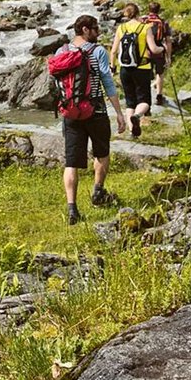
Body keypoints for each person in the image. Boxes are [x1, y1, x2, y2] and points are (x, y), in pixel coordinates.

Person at [61, 14, 126, 225]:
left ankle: (72, 209)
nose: (98, 32)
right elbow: (107, 82)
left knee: (71, 163)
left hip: (71, 112)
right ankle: (98, 191)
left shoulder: (62, 51)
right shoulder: (97, 52)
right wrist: (119, 113)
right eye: (96, 28)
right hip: (96, 111)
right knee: (102, 152)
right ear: (86, 30)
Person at [111, 2, 154, 138]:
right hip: (142, 68)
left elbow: (113, 51)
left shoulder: (121, 28)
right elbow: (153, 48)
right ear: (138, 12)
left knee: (130, 101)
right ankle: (137, 116)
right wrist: (162, 49)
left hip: (125, 69)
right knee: (144, 100)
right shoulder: (145, 27)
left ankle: (132, 133)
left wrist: (113, 66)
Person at [145, 1, 172, 106]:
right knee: (160, 73)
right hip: (159, 50)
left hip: (146, 51)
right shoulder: (163, 23)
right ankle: (159, 96)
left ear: (149, 9)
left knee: (146, 74)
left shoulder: (144, 21)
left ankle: (146, 97)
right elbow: (168, 41)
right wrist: (168, 56)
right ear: (158, 10)